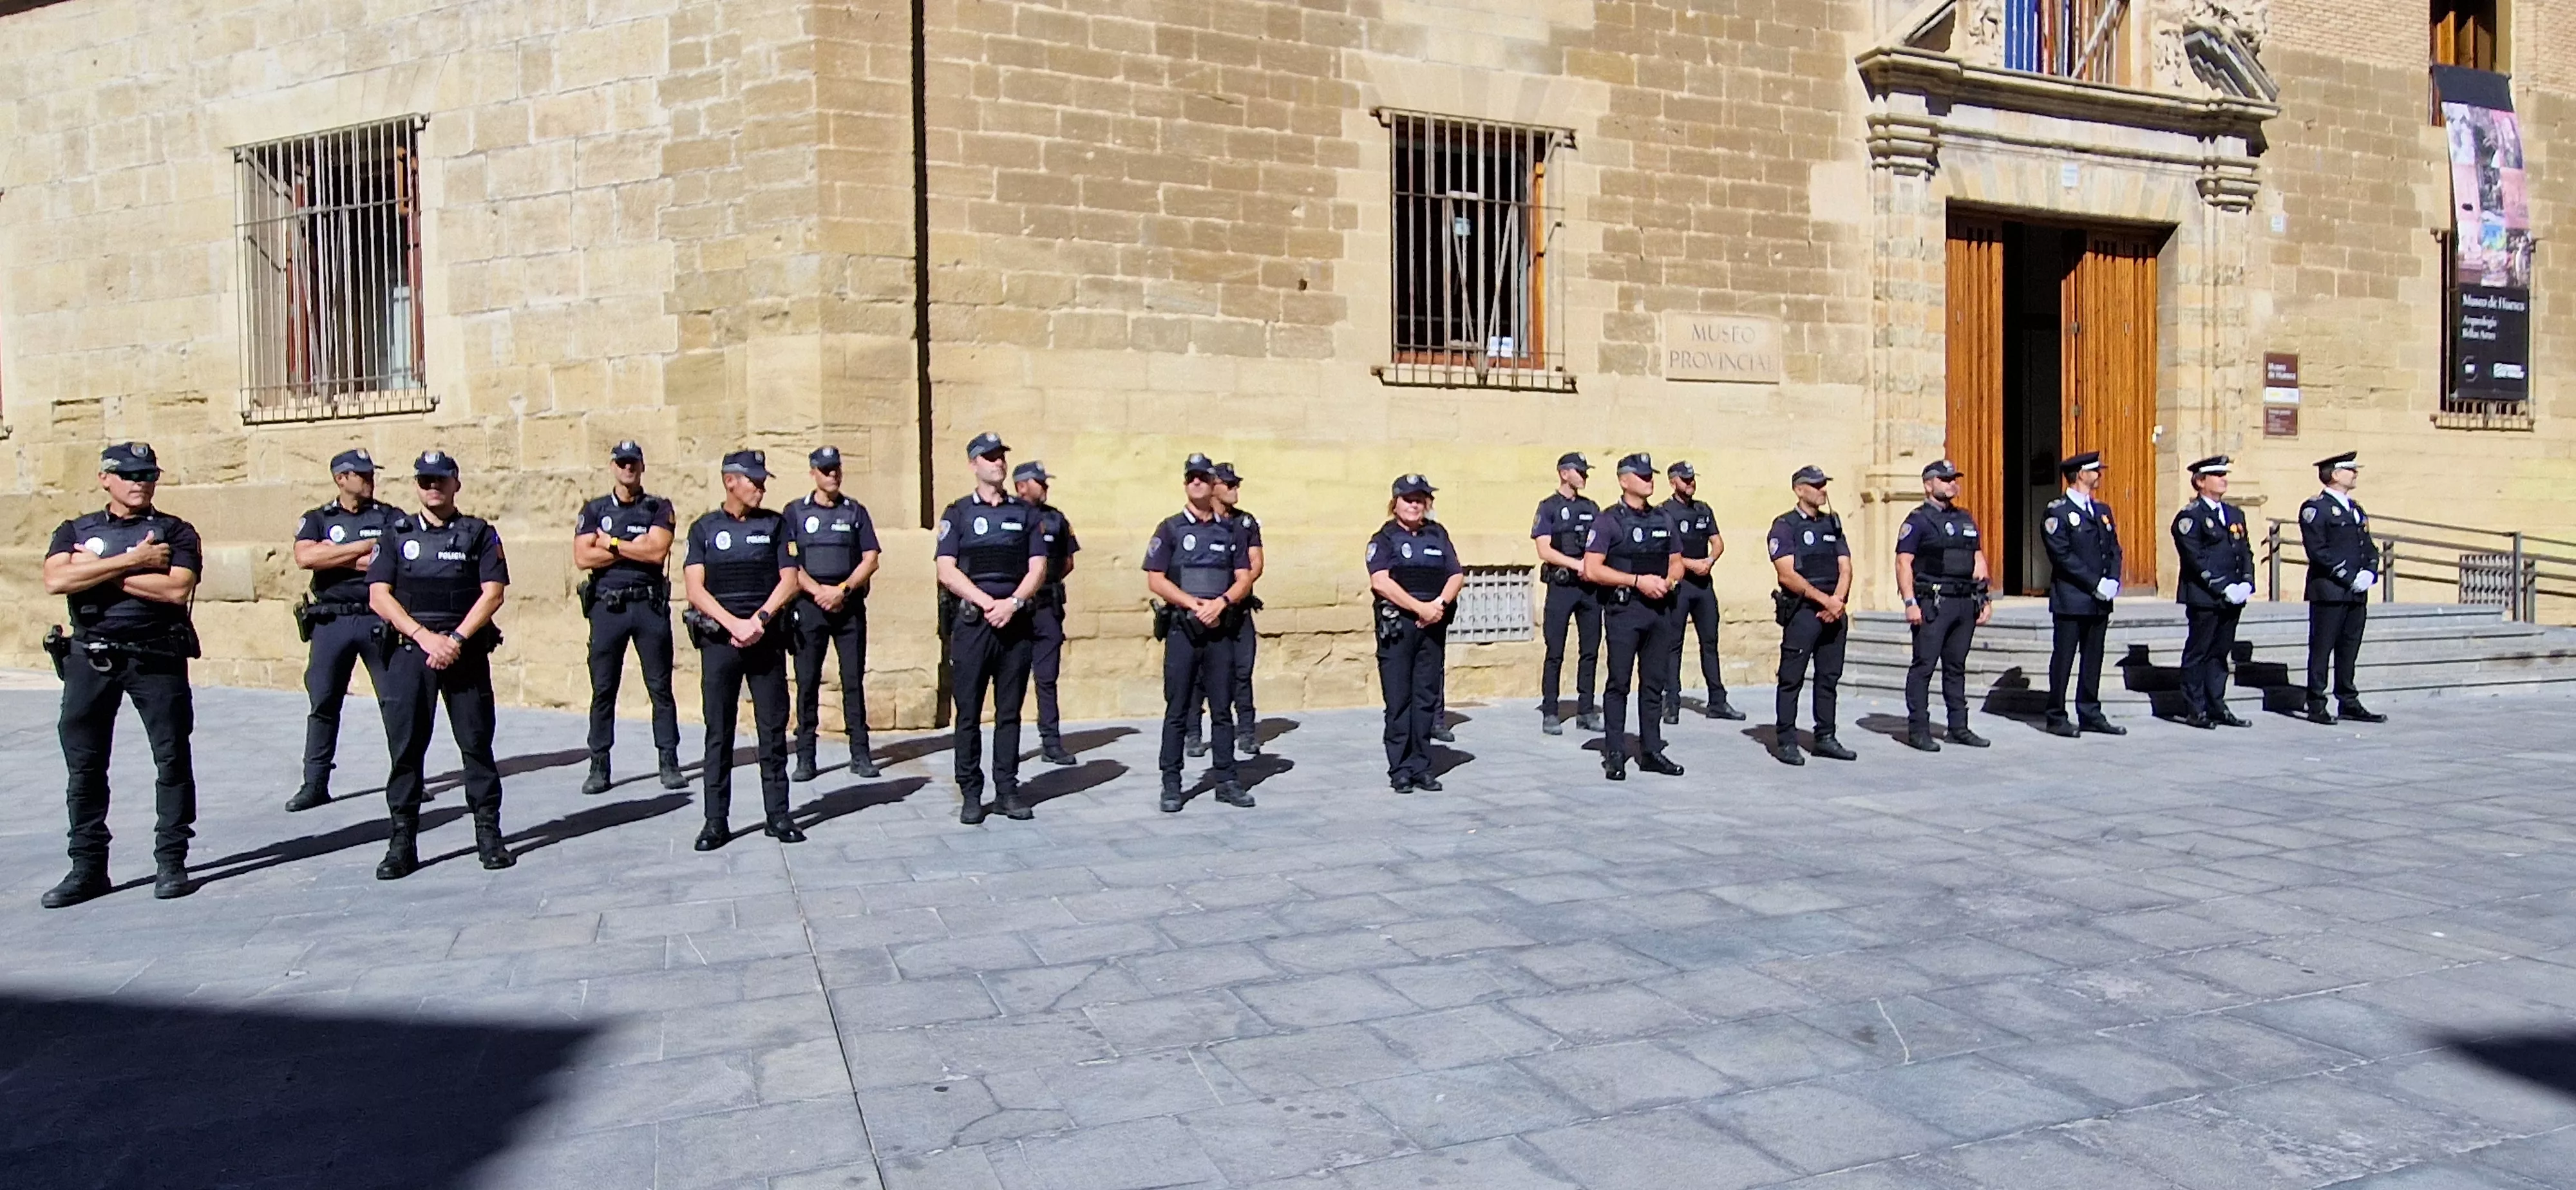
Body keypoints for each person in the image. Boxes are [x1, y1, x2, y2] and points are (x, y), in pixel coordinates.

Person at [38, 442, 202, 907]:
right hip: (90, 660)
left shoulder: (175, 531)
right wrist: (133, 562)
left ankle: (171, 861)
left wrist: (92, 569)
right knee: (85, 766)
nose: (140, 483)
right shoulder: (75, 529)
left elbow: (175, 589)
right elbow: (56, 580)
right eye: (129, 475)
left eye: (148, 475)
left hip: (155, 656)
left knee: (172, 759)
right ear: (105, 479)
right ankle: (87, 868)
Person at [367, 449, 512, 878]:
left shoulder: (478, 533)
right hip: (412, 652)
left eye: (440, 480)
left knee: (476, 744)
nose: (433, 487)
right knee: (407, 749)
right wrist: (423, 636)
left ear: (455, 484)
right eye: (425, 481)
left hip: (463, 652)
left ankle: (488, 835)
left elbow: (493, 592)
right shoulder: (396, 534)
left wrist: (456, 639)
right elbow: (378, 595)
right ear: (417, 486)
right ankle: (402, 842)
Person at [682, 450, 805, 850]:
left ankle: (778, 814)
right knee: (719, 733)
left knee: (772, 730)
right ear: (729, 481)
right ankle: (715, 821)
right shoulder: (704, 529)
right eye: (754, 480)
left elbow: (790, 580)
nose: (761, 487)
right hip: (721, 643)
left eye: (763, 480)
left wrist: (760, 620)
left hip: (765, 640)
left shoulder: (776, 525)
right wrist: (733, 624)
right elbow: (695, 588)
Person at [936, 433, 1051, 824]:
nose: (998, 462)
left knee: (1009, 712)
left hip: (1014, 623)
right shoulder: (958, 513)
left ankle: (1007, 790)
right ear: (974, 464)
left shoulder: (1025, 513)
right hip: (975, 623)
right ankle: (971, 792)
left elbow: (1038, 567)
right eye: (989, 457)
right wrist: (988, 603)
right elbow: (946, 569)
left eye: (1001, 456)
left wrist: (1013, 603)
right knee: (968, 712)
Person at [289, 449, 405, 811]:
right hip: (331, 621)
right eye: (362, 475)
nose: (370, 480)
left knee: (396, 702)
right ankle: (315, 783)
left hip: (378, 619)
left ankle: (407, 780)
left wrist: (335, 555)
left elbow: (398, 559)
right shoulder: (318, 518)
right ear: (341, 479)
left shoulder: (390, 516)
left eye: (371, 474)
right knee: (323, 700)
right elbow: (306, 558)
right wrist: (366, 548)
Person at [573, 440, 686, 795]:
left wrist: (612, 544)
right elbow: (583, 558)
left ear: (642, 466)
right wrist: (633, 548)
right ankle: (599, 763)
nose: (627, 469)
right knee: (604, 689)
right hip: (608, 608)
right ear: (613, 467)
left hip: (648, 606)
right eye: (622, 463)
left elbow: (656, 553)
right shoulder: (594, 509)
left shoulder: (657, 507)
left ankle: (668, 760)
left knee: (660, 688)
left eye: (633, 463)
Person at [1146, 454, 1258, 812]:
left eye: (1202, 478)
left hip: (1220, 630)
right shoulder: (1170, 528)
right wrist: (1192, 604)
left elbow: (1244, 577)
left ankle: (1226, 780)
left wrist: (1221, 603)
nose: (1196, 483)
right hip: (1184, 630)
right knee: (1177, 709)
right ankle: (1171, 783)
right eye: (1190, 478)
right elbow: (1155, 579)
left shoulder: (1231, 531)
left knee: (1223, 709)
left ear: (1213, 485)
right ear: (1185, 484)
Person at [1583, 453, 1687, 781]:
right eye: (1642, 476)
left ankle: (1651, 750)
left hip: (1660, 609)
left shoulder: (1663, 518)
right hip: (1625, 610)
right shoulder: (1608, 520)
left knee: (1654, 683)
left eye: (1650, 475)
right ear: (1623, 481)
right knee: (1619, 682)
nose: (1649, 481)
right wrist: (1638, 581)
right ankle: (1615, 752)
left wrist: (1669, 581)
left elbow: (1677, 561)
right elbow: (1592, 569)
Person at [784, 445, 884, 781]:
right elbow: (789, 562)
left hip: (848, 606)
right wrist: (818, 592)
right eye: (826, 470)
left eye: (836, 469)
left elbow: (871, 558)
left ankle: (860, 753)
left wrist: (842, 590)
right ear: (813, 473)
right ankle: (805, 756)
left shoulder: (855, 511)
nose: (832, 475)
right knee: (807, 682)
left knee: (853, 680)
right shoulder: (795, 512)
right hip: (809, 607)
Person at [1368, 475, 1464, 793]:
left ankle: (1422, 766)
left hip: (1432, 624)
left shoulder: (1438, 534)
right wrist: (1419, 608)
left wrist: (1438, 605)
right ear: (1395, 503)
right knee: (1399, 700)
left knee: (1425, 699)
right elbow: (1381, 581)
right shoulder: (1385, 538)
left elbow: (1456, 574)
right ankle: (1400, 768)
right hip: (1399, 627)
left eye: (1420, 500)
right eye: (1408, 499)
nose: (1414, 505)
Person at [1893, 459, 1992, 752]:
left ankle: (1959, 727)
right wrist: (1910, 602)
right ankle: (1919, 729)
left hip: (1964, 602)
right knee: (1924, 666)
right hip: (1934, 602)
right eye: (1945, 479)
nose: (1952, 484)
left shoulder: (1965, 518)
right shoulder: (1918, 521)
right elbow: (1904, 563)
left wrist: (1984, 597)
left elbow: (1978, 559)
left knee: (1956, 666)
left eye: (1953, 479)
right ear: (1928, 485)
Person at [1766, 465, 1855, 765]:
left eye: (1823, 485)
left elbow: (1845, 566)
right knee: (1791, 679)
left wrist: (1837, 601)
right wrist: (1824, 601)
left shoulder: (1832, 523)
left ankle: (1826, 736)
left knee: (1829, 677)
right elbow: (1787, 574)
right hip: (1804, 611)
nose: (1822, 490)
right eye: (1816, 485)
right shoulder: (1785, 526)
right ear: (1799, 489)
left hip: (1834, 611)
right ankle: (1786, 740)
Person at [2040, 451, 2127, 739]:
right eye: (2095, 471)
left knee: (2093, 658)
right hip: (2072, 598)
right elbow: (2062, 555)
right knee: (2064, 659)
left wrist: (2113, 579)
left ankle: (2090, 712)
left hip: (2099, 599)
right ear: (2080, 475)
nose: (2099, 475)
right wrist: (2095, 582)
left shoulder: (2102, 510)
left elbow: (2113, 549)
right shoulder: (2057, 512)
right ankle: (2056, 715)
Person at [2300, 451, 2386, 725]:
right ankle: (2316, 702)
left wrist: (2370, 571)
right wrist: (2349, 577)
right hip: (2330, 590)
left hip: (2356, 592)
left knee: (2349, 648)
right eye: (2350, 470)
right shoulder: (2316, 509)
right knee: (2322, 648)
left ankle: (2348, 699)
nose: (2355, 474)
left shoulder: (2355, 509)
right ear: (2335, 475)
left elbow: (2368, 546)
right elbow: (2318, 551)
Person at [2172, 455, 2256, 729]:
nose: (2223, 479)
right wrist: (2222, 586)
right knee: (2199, 652)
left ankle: (2217, 704)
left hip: (2233, 596)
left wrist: (2246, 581)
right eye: (2217, 475)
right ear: (2200, 481)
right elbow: (2194, 558)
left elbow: (2244, 551)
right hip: (2205, 596)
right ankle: (2196, 708)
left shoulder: (2234, 514)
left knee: (2220, 652)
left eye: (2224, 475)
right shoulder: (2190, 517)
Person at [1189, 462, 1265, 758]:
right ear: (1213, 487)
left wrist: (1233, 593)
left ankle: (1246, 731)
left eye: (1237, 484)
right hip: (1206, 610)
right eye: (1229, 485)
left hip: (1237, 608)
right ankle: (1193, 733)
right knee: (1198, 674)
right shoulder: (1198, 523)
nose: (1235, 490)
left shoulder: (1245, 522)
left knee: (1242, 672)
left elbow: (1256, 564)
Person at [1658, 460, 1742, 723]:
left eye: (1692, 478)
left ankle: (1718, 701)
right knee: (1673, 644)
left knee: (1710, 642)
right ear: (1673, 482)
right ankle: (1671, 702)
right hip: (1680, 586)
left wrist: (1710, 560)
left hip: (1703, 586)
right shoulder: (1664, 512)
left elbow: (1717, 542)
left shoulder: (1703, 509)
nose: (1690, 483)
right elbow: (1665, 552)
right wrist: (1692, 564)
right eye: (1685, 479)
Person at [1531, 452, 1603, 735]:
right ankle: (1551, 710)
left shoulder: (1591, 507)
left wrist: (1592, 567)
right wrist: (1577, 565)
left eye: (1585, 472)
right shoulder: (1549, 507)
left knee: (1590, 650)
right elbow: (1544, 550)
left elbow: (1601, 544)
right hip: (1562, 586)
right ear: (1564, 473)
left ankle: (1586, 710)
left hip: (1589, 588)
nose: (1584, 476)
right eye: (1579, 471)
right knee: (1555, 651)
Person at [1014, 460, 1081, 766]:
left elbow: (1067, 561)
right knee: (1011, 679)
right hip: (1016, 610)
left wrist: (1045, 583)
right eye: (1039, 482)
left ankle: (1051, 742)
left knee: (1047, 677)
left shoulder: (1056, 519)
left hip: (1047, 608)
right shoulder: (1007, 515)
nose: (1045, 487)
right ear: (1022, 486)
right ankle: (1008, 743)